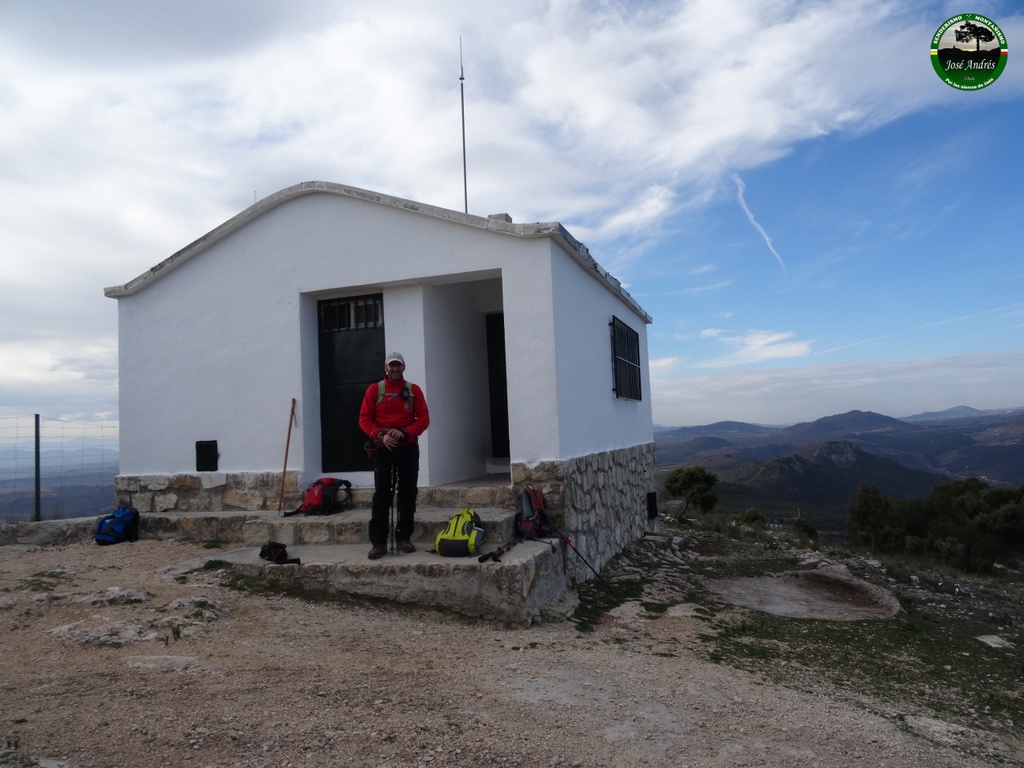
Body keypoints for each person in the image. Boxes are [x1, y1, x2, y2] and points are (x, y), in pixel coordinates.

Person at [358, 352, 430, 559]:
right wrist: (381, 435)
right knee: (382, 493)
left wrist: (406, 431)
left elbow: (423, 419)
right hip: (383, 448)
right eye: (392, 366)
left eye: (398, 365)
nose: (395, 369)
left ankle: (404, 537)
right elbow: (364, 419)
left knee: (408, 492)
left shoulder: (413, 390)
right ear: (385, 368)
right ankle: (378, 542)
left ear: (404, 368)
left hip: (407, 447)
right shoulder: (375, 390)